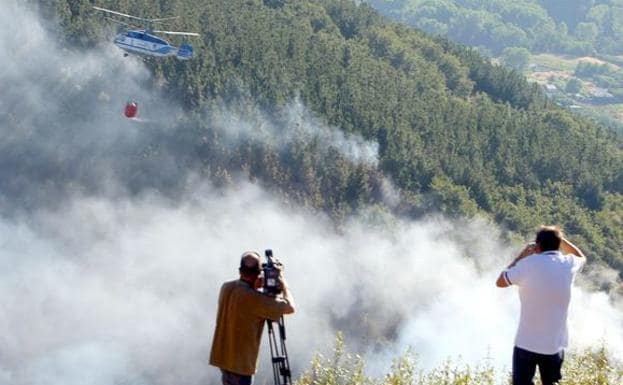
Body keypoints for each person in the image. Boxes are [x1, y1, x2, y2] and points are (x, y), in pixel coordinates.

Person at [496, 225, 586, 385]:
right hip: (554, 343)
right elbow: (581, 256)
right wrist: (560, 240)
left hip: (526, 342)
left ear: (537, 246)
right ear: (558, 244)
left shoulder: (527, 264)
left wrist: (521, 256)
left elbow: (500, 282)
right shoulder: (568, 264)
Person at [210, 251, 295, 385]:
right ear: (258, 272)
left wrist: (257, 282)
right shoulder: (253, 299)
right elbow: (290, 307)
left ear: (240, 270)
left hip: (225, 362)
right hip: (240, 368)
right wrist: (284, 284)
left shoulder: (226, 287)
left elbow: (245, 291)